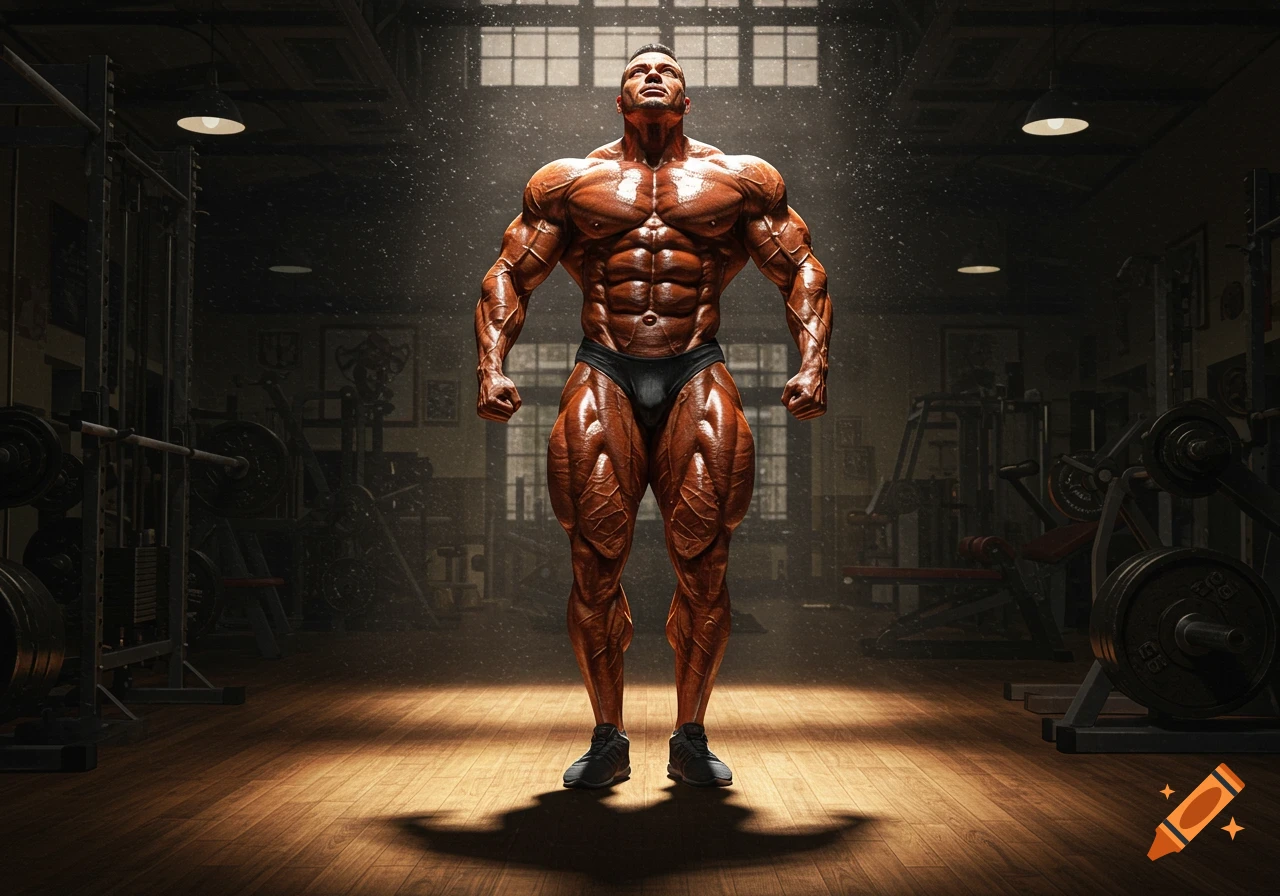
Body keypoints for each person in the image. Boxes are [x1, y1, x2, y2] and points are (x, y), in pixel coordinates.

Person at [475, 44, 832, 789]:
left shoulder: (740, 179)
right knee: (594, 561)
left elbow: (800, 265)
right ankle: (607, 737)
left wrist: (813, 361)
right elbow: (510, 271)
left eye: (667, 69)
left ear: (687, 96)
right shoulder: (570, 182)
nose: (653, 76)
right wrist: (491, 365)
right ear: (618, 97)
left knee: (704, 562)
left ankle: (691, 737)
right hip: (604, 365)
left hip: (695, 366)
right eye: (639, 70)